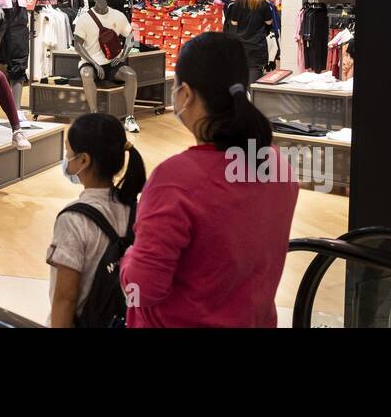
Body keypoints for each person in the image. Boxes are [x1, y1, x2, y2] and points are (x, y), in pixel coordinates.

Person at [120, 33, 298, 327]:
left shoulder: (175, 181)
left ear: (185, 94)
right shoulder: (277, 164)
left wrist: (127, 259)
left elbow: (142, 289)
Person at [48, 113, 146, 327]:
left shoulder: (73, 219)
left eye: (68, 151)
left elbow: (66, 298)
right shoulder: (135, 210)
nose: (66, 158)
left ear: (83, 160)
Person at [225, 0, 276, 83]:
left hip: (241, 46)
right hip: (257, 47)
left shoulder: (238, 2)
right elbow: (269, 22)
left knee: (239, 80)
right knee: (253, 84)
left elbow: (233, 23)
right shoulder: (264, 4)